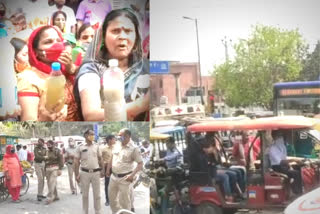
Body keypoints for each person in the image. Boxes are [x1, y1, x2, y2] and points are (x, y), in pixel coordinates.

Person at [74, 8, 150, 121]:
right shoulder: (91, 69)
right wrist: (140, 105)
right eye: (115, 31)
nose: (122, 36)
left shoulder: (145, 67)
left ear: (136, 37)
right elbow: (91, 115)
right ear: (103, 36)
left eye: (128, 31)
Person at [17, 25, 79, 121]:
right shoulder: (29, 78)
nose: (57, 45)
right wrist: (44, 119)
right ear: (36, 52)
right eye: (48, 42)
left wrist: (72, 69)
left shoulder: (66, 70)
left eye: (59, 41)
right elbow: (28, 123)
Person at [107, 128, 143, 213]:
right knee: (112, 200)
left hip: (125, 178)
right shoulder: (116, 145)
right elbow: (112, 158)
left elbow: (140, 164)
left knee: (124, 202)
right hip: (113, 177)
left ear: (128, 136)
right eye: (118, 135)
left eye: (121, 136)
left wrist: (132, 175)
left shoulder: (134, 148)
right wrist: (108, 169)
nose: (118, 137)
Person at [75, 129, 104, 214]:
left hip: (96, 173)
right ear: (85, 135)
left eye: (93, 134)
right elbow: (76, 161)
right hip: (84, 173)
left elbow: (100, 158)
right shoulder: (80, 147)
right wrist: (76, 174)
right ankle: (85, 211)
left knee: (97, 195)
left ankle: (98, 211)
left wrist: (102, 170)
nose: (92, 136)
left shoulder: (97, 146)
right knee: (85, 195)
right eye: (91, 134)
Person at [269, 130, 303, 195]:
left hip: (284, 167)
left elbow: (285, 159)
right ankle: (297, 192)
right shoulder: (272, 149)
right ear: (275, 137)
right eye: (279, 136)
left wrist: (290, 165)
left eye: (282, 136)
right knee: (296, 173)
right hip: (277, 168)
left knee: (298, 168)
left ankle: (298, 190)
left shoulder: (282, 146)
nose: (281, 138)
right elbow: (280, 162)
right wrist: (294, 160)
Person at [44, 140, 64, 204]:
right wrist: (44, 170)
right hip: (47, 169)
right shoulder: (46, 151)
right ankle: (56, 196)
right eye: (47, 144)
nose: (48, 145)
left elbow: (61, 160)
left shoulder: (57, 151)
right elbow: (45, 161)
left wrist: (60, 169)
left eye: (50, 144)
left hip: (55, 168)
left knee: (51, 182)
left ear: (53, 144)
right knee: (51, 183)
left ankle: (50, 197)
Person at [101, 134, 116, 206]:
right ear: (109, 140)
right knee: (107, 184)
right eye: (114, 139)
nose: (115, 140)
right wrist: (103, 170)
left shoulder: (116, 147)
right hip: (107, 168)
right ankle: (107, 200)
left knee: (116, 184)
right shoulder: (103, 149)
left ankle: (115, 199)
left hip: (116, 168)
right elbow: (100, 160)